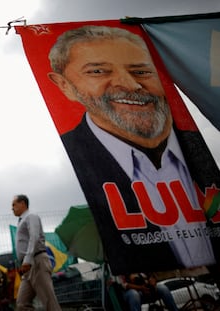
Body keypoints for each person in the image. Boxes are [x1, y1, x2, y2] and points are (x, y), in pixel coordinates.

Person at [47, 25, 220, 274]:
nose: (130, 85)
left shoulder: (196, 146)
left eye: (141, 70)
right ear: (64, 85)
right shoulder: (80, 155)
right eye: (98, 71)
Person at [11, 194, 61, 311]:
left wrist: (27, 259)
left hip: (36, 262)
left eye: (14, 204)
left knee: (49, 301)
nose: (12, 208)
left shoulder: (31, 216)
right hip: (28, 267)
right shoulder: (22, 220)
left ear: (23, 203)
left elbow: (34, 236)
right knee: (22, 303)